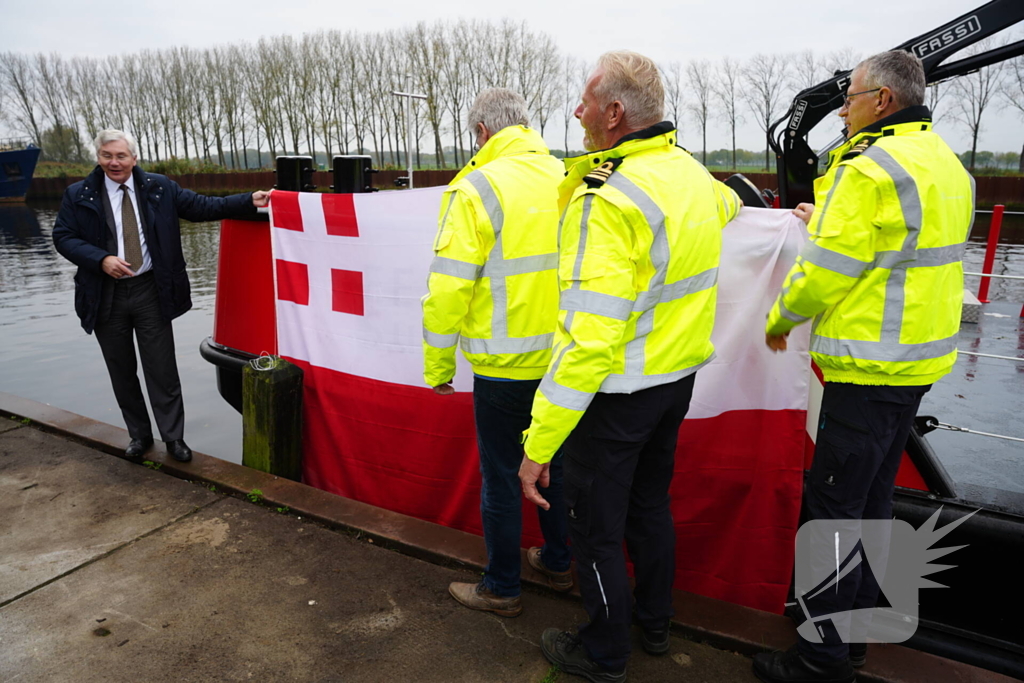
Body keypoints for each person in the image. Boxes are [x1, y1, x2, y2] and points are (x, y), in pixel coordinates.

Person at [518, 51, 741, 682]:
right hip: (674, 384)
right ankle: (655, 625)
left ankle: (603, 654)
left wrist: (540, 444)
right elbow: (729, 208)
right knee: (650, 508)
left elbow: (587, 341)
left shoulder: (605, 200)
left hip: (616, 395)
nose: (576, 111)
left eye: (585, 101)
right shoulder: (693, 177)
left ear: (615, 114)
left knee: (593, 532)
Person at [755, 51, 973, 683]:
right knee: (872, 505)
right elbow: (898, 244)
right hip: (915, 365)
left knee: (831, 513)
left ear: (882, 101)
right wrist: (821, 220)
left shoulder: (869, 167)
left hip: (865, 368)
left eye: (849, 97)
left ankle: (821, 661)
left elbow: (830, 270)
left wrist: (781, 317)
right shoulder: (945, 164)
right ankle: (852, 639)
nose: (842, 108)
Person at [421, 89, 571, 617]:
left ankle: (503, 586)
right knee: (554, 467)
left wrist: (439, 365)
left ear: (482, 132)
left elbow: (448, 289)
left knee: (505, 478)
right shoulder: (570, 178)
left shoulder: (476, 187)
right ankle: (558, 562)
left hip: (504, 368)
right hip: (565, 365)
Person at [52, 129, 270, 463]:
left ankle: (174, 439)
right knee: (122, 371)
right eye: (107, 156)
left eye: (121, 156)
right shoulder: (79, 194)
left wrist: (248, 201)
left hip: (150, 290)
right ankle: (139, 436)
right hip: (104, 295)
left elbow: (201, 207)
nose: (114, 162)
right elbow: (63, 237)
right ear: (98, 157)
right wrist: (101, 259)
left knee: (162, 369)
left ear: (134, 158)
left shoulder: (159, 187)